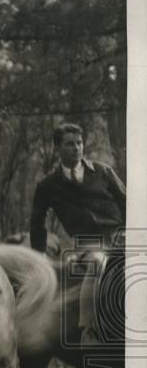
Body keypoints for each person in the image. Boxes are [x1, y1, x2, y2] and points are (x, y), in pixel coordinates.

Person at [29, 122, 126, 345]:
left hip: (119, 235)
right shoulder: (48, 185)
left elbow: (127, 203)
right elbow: (37, 223)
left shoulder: (102, 172)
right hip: (88, 244)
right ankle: (88, 330)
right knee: (97, 263)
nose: (77, 148)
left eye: (79, 143)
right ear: (57, 149)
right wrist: (39, 257)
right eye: (70, 144)